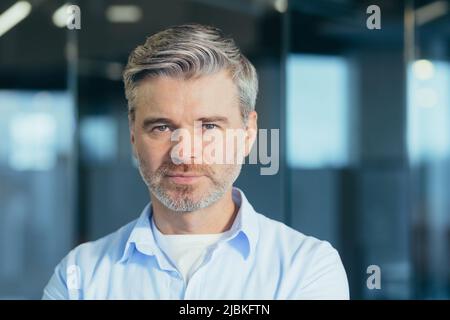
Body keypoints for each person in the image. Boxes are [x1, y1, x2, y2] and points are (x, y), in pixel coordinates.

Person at [42, 23, 349, 300]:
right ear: (133, 135)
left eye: (209, 127)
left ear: (248, 133)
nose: (184, 153)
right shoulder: (78, 278)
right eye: (162, 127)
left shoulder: (307, 269)